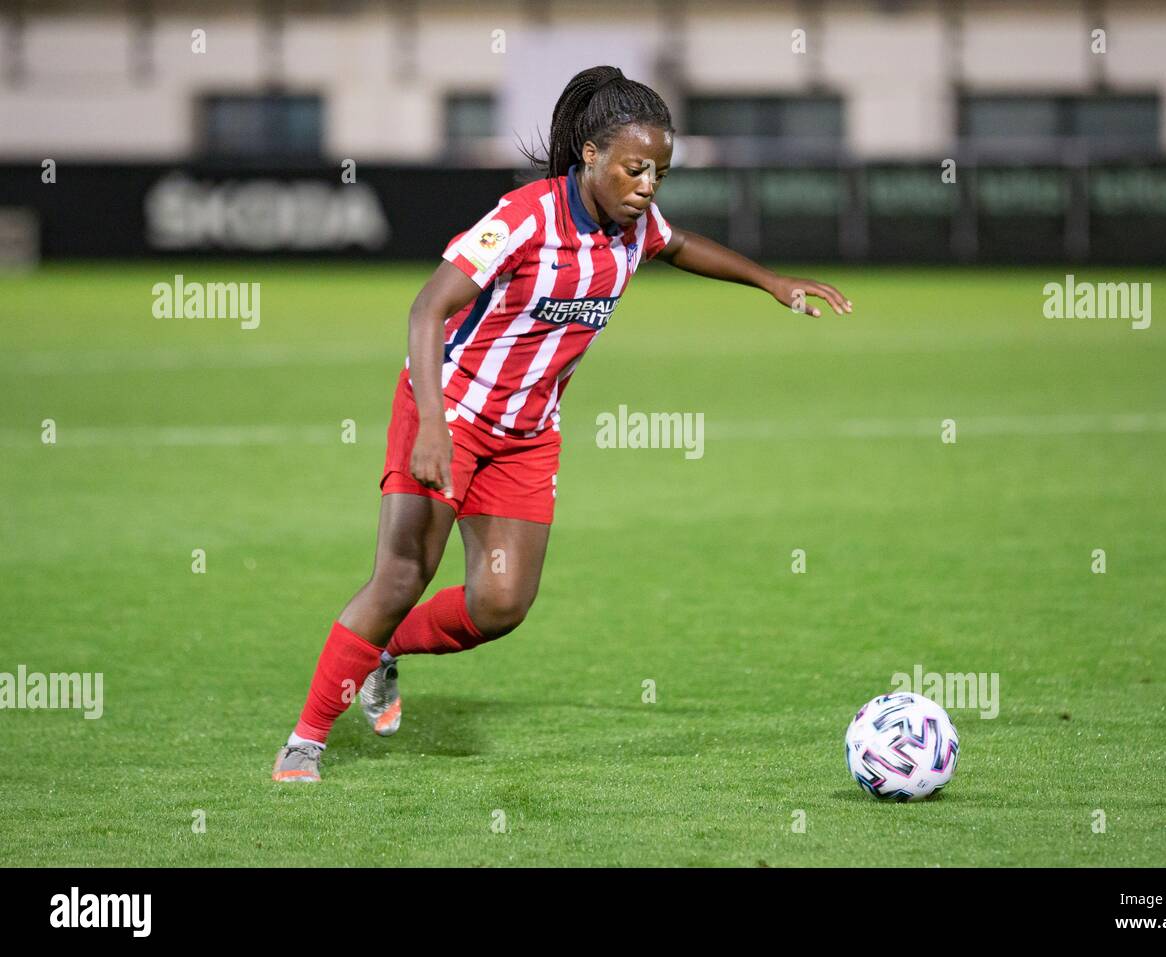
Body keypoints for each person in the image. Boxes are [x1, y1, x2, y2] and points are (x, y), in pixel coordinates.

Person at [273, 64, 851, 782]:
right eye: (636, 169)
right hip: (447, 410)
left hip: (526, 434)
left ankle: (386, 654)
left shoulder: (633, 228)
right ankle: (304, 741)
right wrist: (431, 423)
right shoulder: (524, 218)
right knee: (400, 577)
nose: (648, 186)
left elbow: (680, 245)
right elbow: (427, 307)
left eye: (660, 174)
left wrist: (771, 282)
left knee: (501, 602)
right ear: (591, 156)